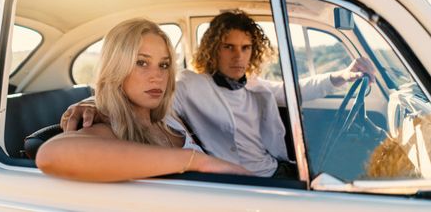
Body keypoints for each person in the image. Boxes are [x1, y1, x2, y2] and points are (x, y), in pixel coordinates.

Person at [60, 10, 375, 178]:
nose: (238, 56)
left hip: (277, 170)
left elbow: (295, 90)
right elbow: (130, 93)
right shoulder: (189, 85)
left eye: (245, 48)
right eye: (229, 47)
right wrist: (93, 104)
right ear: (214, 49)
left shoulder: (256, 86)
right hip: (243, 185)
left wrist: (343, 76)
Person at [36, 18, 250, 182]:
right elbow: (50, 155)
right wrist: (197, 162)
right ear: (117, 68)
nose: (157, 76)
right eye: (141, 62)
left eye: (164, 65)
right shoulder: (112, 130)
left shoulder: (169, 119)